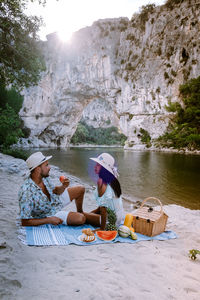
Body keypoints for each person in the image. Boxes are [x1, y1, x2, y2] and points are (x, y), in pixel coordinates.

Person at [18, 152, 86, 226]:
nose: (50, 167)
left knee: (81, 189)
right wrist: (48, 220)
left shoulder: (44, 177)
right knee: (80, 219)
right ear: (38, 169)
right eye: (46, 165)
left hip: (55, 201)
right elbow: (25, 222)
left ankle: (80, 211)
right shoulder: (26, 192)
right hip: (49, 214)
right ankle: (80, 215)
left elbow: (55, 191)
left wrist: (63, 186)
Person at [84, 153, 124, 230]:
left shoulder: (101, 182)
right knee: (86, 214)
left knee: (82, 216)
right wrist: (90, 214)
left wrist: (102, 229)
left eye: (98, 165)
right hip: (118, 218)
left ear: (104, 169)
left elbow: (103, 209)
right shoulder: (113, 181)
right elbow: (103, 206)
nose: (95, 167)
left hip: (110, 221)